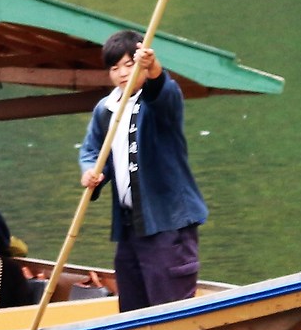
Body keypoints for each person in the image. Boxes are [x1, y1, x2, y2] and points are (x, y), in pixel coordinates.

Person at [78, 29, 206, 311]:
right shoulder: (105, 109)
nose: (123, 73)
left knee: (169, 308)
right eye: (115, 67)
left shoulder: (158, 101)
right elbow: (91, 151)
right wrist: (91, 173)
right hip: (130, 227)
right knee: (133, 308)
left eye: (129, 65)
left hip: (168, 224)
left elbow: (164, 93)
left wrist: (155, 68)